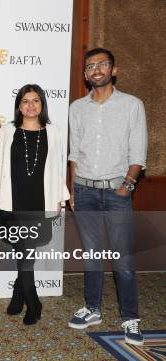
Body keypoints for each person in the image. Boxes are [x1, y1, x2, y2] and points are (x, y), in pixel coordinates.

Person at [67, 48, 147, 346]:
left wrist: (127, 185)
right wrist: (74, 188)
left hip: (117, 191)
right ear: (86, 74)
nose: (96, 70)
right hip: (84, 191)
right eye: (90, 66)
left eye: (102, 65)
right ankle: (92, 308)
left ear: (113, 70)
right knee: (92, 256)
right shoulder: (77, 108)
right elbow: (74, 153)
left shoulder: (131, 105)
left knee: (123, 260)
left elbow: (138, 151)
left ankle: (131, 318)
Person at [0, 84, 69, 325]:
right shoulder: (7, 130)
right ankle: (27, 298)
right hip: (11, 202)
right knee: (23, 252)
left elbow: (58, 168)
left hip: (39, 202)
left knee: (26, 252)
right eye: (25, 101)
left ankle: (26, 298)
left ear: (42, 104)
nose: (31, 105)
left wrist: (59, 198)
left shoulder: (54, 132)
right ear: (19, 106)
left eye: (36, 100)